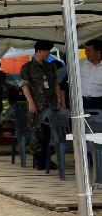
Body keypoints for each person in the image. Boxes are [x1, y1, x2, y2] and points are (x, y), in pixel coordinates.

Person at [20, 40, 66, 170]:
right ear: (39, 51)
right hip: (35, 105)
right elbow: (25, 85)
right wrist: (30, 102)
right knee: (37, 132)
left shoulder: (50, 66)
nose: (48, 54)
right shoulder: (27, 67)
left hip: (50, 105)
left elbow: (56, 83)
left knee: (50, 132)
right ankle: (37, 160)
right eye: (47, 51)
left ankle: (47, 159)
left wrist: (58, 100)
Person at [80, 39, 102, 110]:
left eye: (89, 50)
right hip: (80, 101)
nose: (86, 53)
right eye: (85, 50)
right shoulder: (79, 63)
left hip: (98, 102)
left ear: (99, 52)